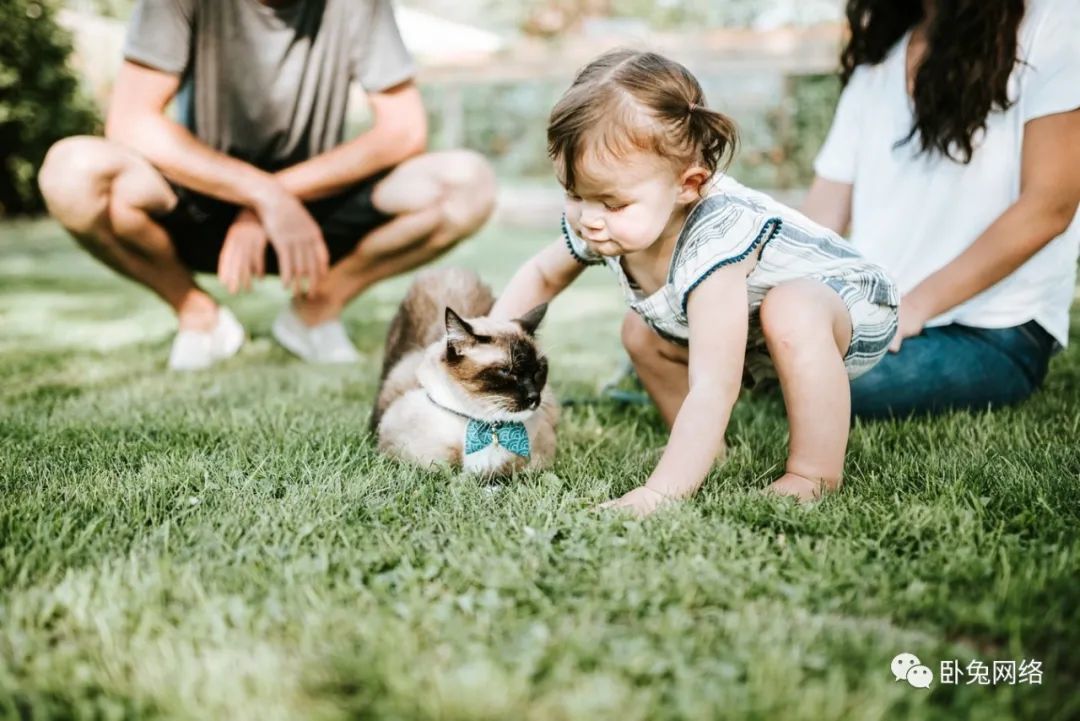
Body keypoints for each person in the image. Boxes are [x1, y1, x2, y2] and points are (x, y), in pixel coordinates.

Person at [491, 50, 900, 512]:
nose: (589, 219)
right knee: (639, 331)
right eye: (573, 194)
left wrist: (658, 494)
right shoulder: (604, 218)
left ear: (688, 184)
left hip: (849, 303)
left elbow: (714, 384)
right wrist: (484, 341)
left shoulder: (716, 239)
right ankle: (707, 452)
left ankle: (812, 472)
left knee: (790, 310)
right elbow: (543, 272)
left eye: (612, 203)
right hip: (758, 323)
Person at [37, 0, 496, 371]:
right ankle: (198, 316)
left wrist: (280, 196)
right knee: (72, 172)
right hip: (199, 202)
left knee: (467, 184)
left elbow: (404, 131)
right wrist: (262, 195)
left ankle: (316, 308)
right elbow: (131, 120)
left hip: (317, 214)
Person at [803, 0, 1080, 418]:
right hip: (875, 320)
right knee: (772, 352)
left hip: (995, 330)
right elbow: (822, 215)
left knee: (818, 380)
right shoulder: (877, 66)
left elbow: (1049, 206)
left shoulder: (1056, 23)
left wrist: (914, 307)